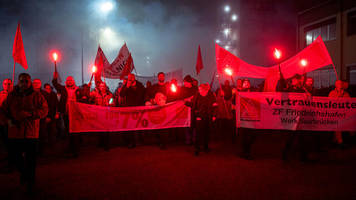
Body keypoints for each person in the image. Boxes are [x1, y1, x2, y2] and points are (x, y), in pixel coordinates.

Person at [0, 73, 48, 193]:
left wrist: (32, 114)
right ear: (18, 82)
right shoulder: (11, 96)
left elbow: (44, 110)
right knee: (16, 157)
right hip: (15, 133)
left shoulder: (37, 95)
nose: (24, 83)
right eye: (22, 81)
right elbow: (2, 111)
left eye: (26, 81)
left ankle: (30, 183)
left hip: (31, 133)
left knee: (31, 160)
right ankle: (24, 173)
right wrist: (7, 121)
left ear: (30, 82)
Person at [52, 72, 79, 157]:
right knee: (68, 131)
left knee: (75, 132)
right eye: (68, 80)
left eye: (71, 80)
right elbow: (55, 84)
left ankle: (75, 149)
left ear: (73, 81)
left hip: (75, 114)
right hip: (66, 113)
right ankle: (70, 147)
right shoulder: (63, 89)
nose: (69, 81)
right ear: (66, 82)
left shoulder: (78, 89)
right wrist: (55, 78)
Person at [186, 83, 217, 156]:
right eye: (199, 89)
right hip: (199, 117)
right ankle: (197, 148)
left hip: (208, 117)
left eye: (200, 89)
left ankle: (206, 147)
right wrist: (186, 103)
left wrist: (214, 115)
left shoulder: (211, 96)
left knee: (206, 133)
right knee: (198, 134)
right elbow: (193, 105)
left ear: (205, 90)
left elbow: (215, 106)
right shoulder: (197, 95)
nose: (199, 90)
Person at [119, 73, 146, 148]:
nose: (130, 79)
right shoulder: (126, 85)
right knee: (130, 126)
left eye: (132, 77)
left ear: (134, 77)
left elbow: (143, 94)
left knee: (139, 125)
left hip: (138, 108)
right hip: (129, 109)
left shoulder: (139, 84)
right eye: (129, 77)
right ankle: (131, 141)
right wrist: (127, 87)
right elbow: (121, 94)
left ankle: (141, 140)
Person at [145, 72, 169, 149]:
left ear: (164, 77)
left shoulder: (167, 87)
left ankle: (164, 142)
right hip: (157, 109)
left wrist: (167, 99)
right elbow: (149, 95)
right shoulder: (154, 87)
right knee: (158, 125)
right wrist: (151, 100)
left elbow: (172, 96)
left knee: (165, 126)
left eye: (162, 76)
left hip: (165, 109)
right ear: (158, 78)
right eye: (160, 76)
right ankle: (159, 141)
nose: (161, 77)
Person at [329, 80, 351, 147]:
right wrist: (338, 97)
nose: (340, 85)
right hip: (335, 114)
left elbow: (349, 102)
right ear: (336, 85)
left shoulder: (346, 93)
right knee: (337, 127)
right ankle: (339, 141)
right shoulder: (332, 93)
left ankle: (336, 140)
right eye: (338, 83)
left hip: (344, 114)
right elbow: (329, 102)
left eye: (341, 83)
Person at [0, 78, 13, 171]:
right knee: (3, 141)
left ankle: (11, 162)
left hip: (11, 121)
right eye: (5, 84)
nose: (7, 85)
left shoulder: (15, 95)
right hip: (1, 121)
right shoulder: (0, 94)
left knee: (11, 141)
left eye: (9, 83)